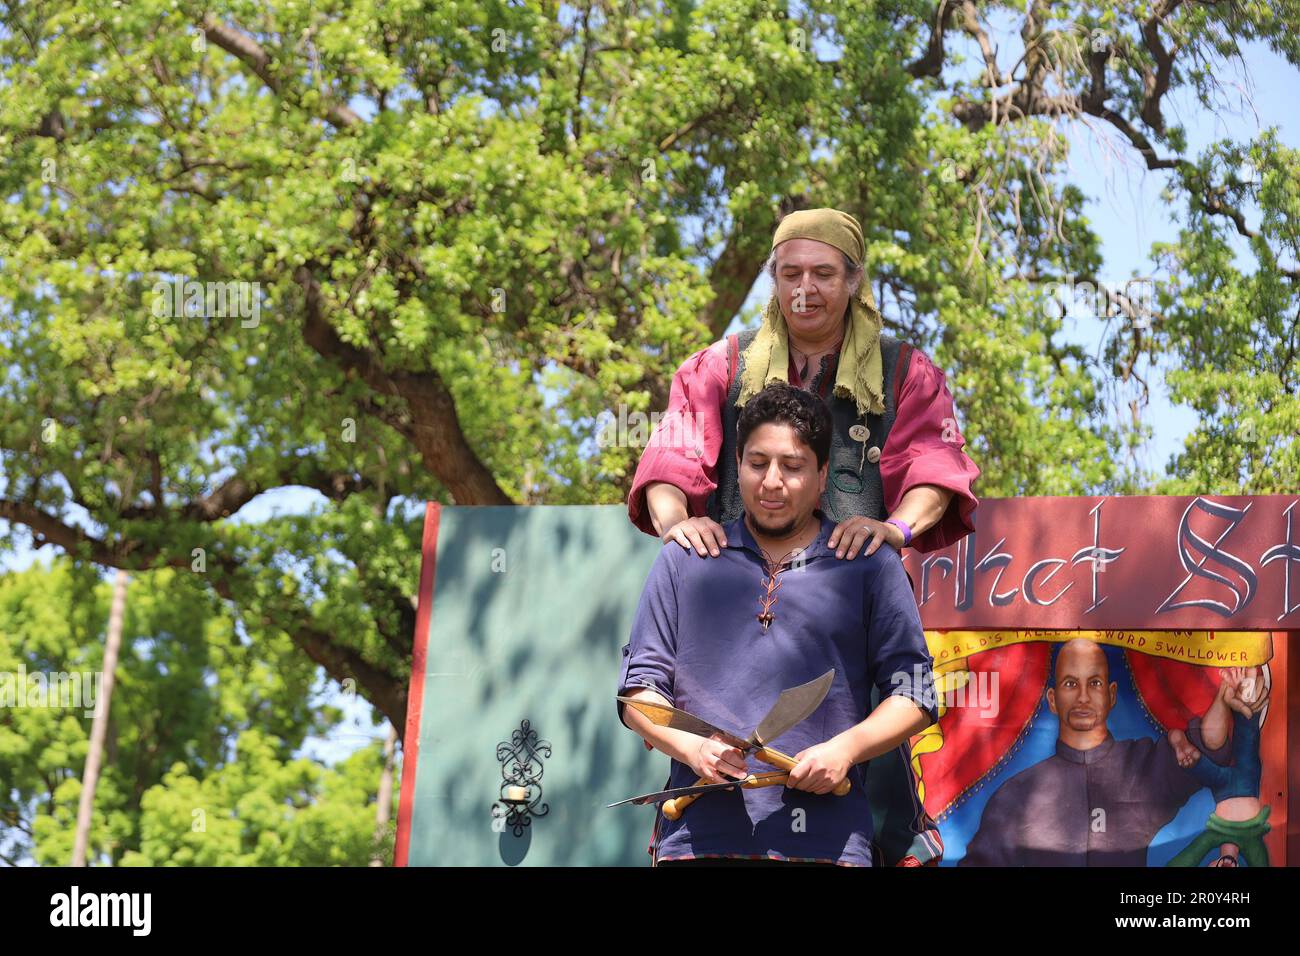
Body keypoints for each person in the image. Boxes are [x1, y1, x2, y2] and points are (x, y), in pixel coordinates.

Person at [626, 207, 978, 864]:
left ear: (853, 280)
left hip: (850, 625)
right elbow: (670, 462)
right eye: (790, 274)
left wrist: (894, 528)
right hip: (732, 621)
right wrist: (680, 527)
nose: (804, 290)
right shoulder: (716, 367)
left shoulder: (906, 370)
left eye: (822, 273)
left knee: (876, 796)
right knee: (707, 775)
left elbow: (935, 465)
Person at [616, 383, 939, 866]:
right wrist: (692, 747)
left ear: (822, 473)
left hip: (829, 848)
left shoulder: (869, 564)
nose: (771, 481)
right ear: (738, 465)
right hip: (696, 843)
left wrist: (845, 750)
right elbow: (639, 693)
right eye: (757, 463)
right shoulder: (686, 559)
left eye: (792, 466)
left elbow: (916, 694)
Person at [959, 639, 1225, 867]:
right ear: (1052, 699)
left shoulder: (1143, 765)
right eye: (1071, 684)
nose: (1083, 697)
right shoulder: (1016, 794)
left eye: (1094, 683)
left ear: (1111, 696)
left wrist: (1228, 693)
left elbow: (1210, 745)